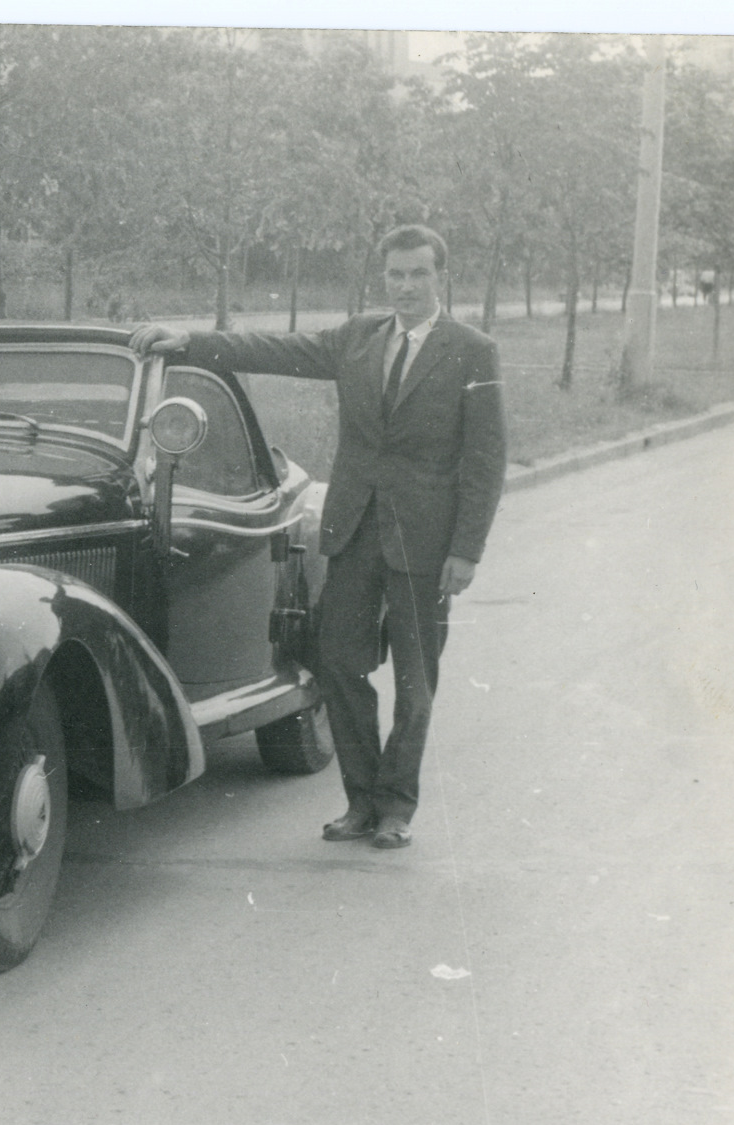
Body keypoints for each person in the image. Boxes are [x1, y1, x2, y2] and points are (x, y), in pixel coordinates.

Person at [131, 224, 506, 850]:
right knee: (337, 665)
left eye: (419, 274)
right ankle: (360, 803)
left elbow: (486, 458)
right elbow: (276, 350)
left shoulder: (472, 350)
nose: (406, 286)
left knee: (416, 681)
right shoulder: (359, 337)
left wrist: (466, 551)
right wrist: (192, 342)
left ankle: (396, 807)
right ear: (382, 277)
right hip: (354, 532)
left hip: (425, 542)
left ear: (442, 278)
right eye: (396, 274)